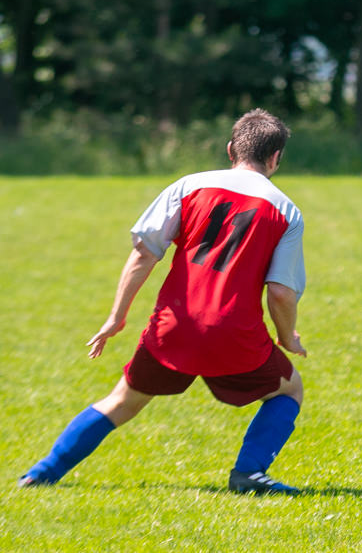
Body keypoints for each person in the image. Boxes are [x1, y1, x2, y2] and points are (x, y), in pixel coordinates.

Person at [17, 109, 308, 495]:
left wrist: (116, 317)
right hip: (234, 333)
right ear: (275, 158)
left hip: (174, 326)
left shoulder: (188, 186)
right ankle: (249, 474)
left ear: (230, 150)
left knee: (123, 400)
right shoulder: (286, 210)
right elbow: (282, 292)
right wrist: (287, 337)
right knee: (289, 390)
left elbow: (143, 254)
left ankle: (43, 472)